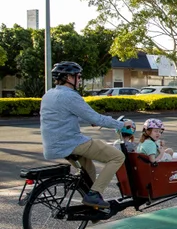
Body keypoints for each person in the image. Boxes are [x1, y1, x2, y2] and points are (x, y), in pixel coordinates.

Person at [40, 61, 133, 209]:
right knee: (117, 157)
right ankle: (94, 194)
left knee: (89, 170)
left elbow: (65, 114)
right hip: (71, 142)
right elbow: (96, 118)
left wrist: (91, 120)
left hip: (53, 144)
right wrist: (121, 124)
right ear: (69, 77)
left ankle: (92, 208)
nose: (80, 79)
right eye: (78, 76)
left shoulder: (49, 94)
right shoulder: (70, 96)